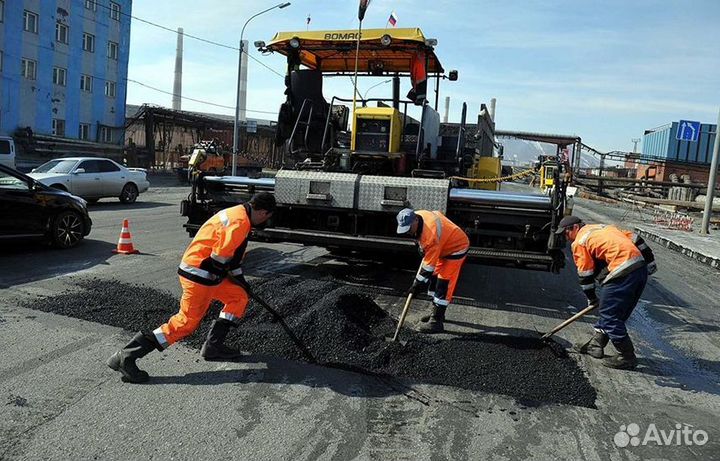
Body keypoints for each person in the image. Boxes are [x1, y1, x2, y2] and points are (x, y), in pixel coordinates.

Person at [106, 192, 277, 383]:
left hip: (206, 271)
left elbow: (230, 260)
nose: (265, 221)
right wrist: (232, 274)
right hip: (199, 274)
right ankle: (126, 356)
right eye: (267, 217)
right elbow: (219, 260)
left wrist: (241, 282)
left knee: (238, 297)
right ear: (262, 212)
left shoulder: (237, 212)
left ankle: (213, 346)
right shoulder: (240, 223)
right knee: (186, 323)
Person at [556, 215, 656, 370]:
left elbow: (585, 274)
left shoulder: (580, 241)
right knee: (615, 312)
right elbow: (636, 239)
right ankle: (596, 345)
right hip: (639, 270)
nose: (566, 238)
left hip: (621, 270)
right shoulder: (603, 228)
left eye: (566, 234)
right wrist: (650, 262)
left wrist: (591, 298)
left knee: (610, 316)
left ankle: (627, 356)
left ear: (575, 228)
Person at [396, 208, 470, 333]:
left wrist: (417, 285)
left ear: (415, 220)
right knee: (434, 279)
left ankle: (436, 321)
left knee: (443, 283)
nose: (408, 232)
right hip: (443, 245)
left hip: (456, 248)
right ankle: (435, 312)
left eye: (409, 228)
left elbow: (427, 268)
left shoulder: (430, 235)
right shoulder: (419, 215)